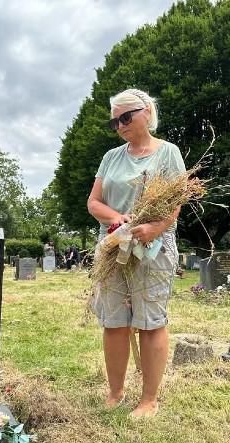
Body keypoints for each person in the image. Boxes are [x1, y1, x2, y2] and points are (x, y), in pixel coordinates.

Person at [87, 88, 187, 418]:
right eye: (115, 121)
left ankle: (149, 399)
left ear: (146, 112)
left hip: (153, 248)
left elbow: (176, 200)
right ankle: (115, 392)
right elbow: (94, 202)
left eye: (125, 117)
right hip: (114, 247)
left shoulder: (168, 153)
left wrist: (156, 228)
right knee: (114, 321)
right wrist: (117, 218)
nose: (120, 125)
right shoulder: (111, 158)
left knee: (150, 321)